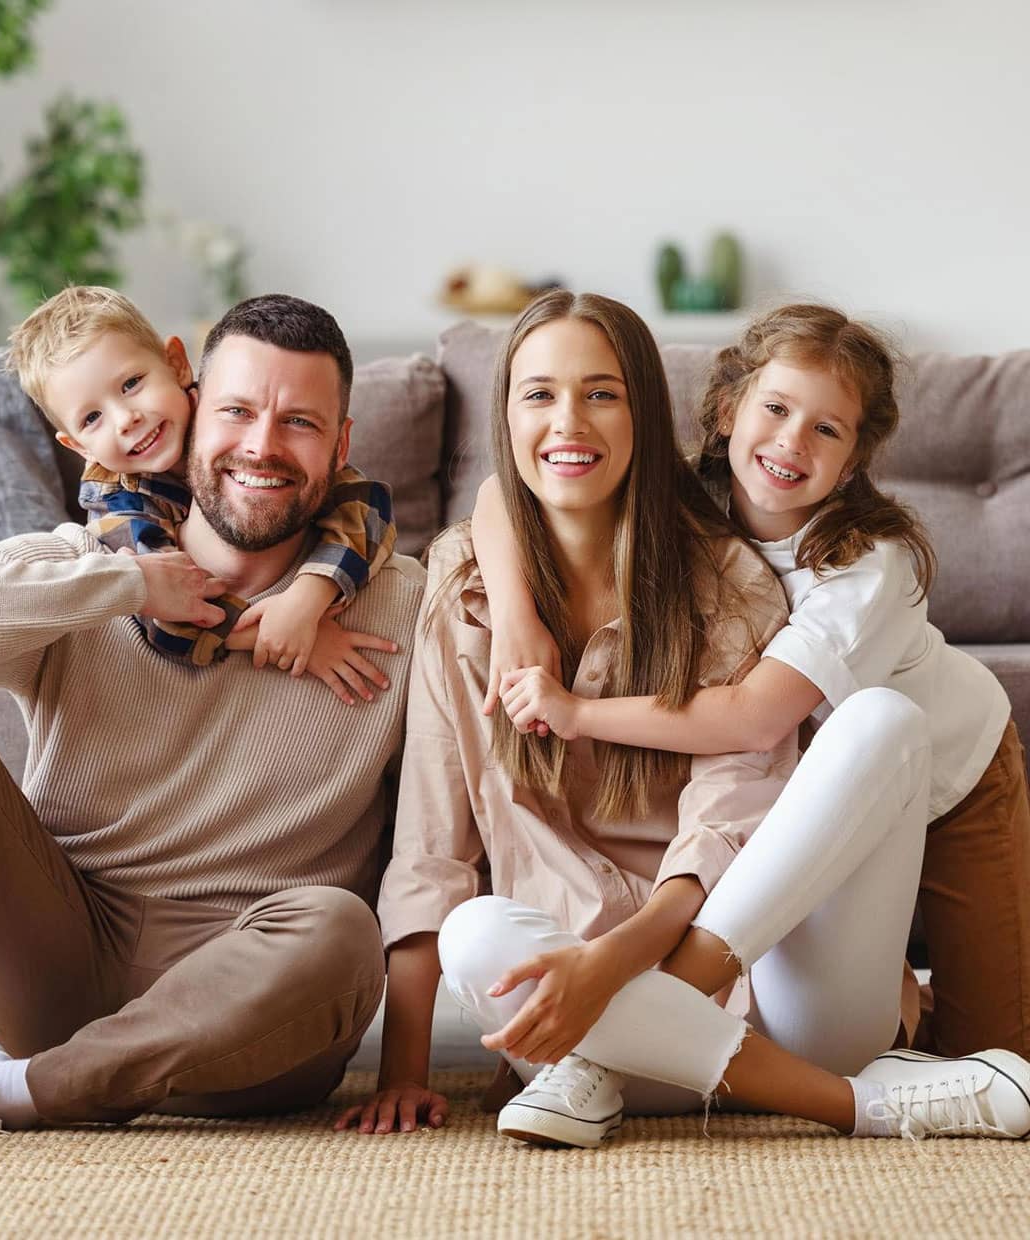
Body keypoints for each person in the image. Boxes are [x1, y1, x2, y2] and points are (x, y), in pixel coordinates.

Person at [338, 290, 1030, 1147]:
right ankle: (853, 1100)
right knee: (476, 932)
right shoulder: (472, 584)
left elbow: (740, 766)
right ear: (729, 413)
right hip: (572, 1018)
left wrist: (618, 964)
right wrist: (404, 1071)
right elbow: (430, 846)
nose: (569, 420)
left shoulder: (752, 574)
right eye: (539, 394)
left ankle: (654, 1051)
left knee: (884, 723)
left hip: (773, 960)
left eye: (601, 393)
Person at [0, 294, 425, 1165]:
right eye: (238, 411)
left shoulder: (405, 604)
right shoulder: (92, 559)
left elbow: (508, 527)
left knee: (341, 929)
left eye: (298, 422)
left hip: (248, 1007)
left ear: (341, 445)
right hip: (52, 954)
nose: (260, 445)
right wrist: (128, 585)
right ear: (200, 401)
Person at [6, 284, 396, 681]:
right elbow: (167, 613)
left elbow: (367, 506)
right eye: (92, 418)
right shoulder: (118, 505)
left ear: (177, 364)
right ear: (78, 446)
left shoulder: (227, 410)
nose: (126, 419)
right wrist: (282, 635)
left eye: (131, 384)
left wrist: (308, 596)